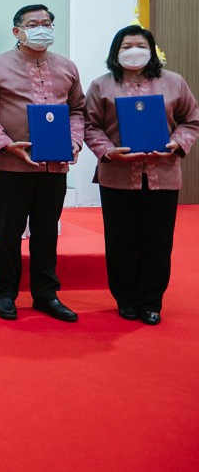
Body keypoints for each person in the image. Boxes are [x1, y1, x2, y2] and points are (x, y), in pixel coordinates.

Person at [83, 25, 199, 325]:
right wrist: (108, 150)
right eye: (126, 46)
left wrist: (177, 143)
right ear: (115, 52)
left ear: (151, 50)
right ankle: (125, 299)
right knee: (121, 240)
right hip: (118, 176)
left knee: (157, 241)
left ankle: (150, 301)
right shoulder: (101, 85)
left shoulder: (174, 82)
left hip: (163, 173)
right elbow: (90, 125)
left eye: (140, 45)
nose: (134, 51)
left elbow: (191, 120)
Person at [0, 5, 83, 322]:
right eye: (33, 24)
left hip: (55, 165)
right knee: (10, 232)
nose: (41, 29)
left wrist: (75, 141)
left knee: (47, 231)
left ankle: (45, 294)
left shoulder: (66, 67)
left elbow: (78, 111)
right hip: (13, 165)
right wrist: (5, 144)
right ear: (17, 31)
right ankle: (6, 293)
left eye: (47, 23)